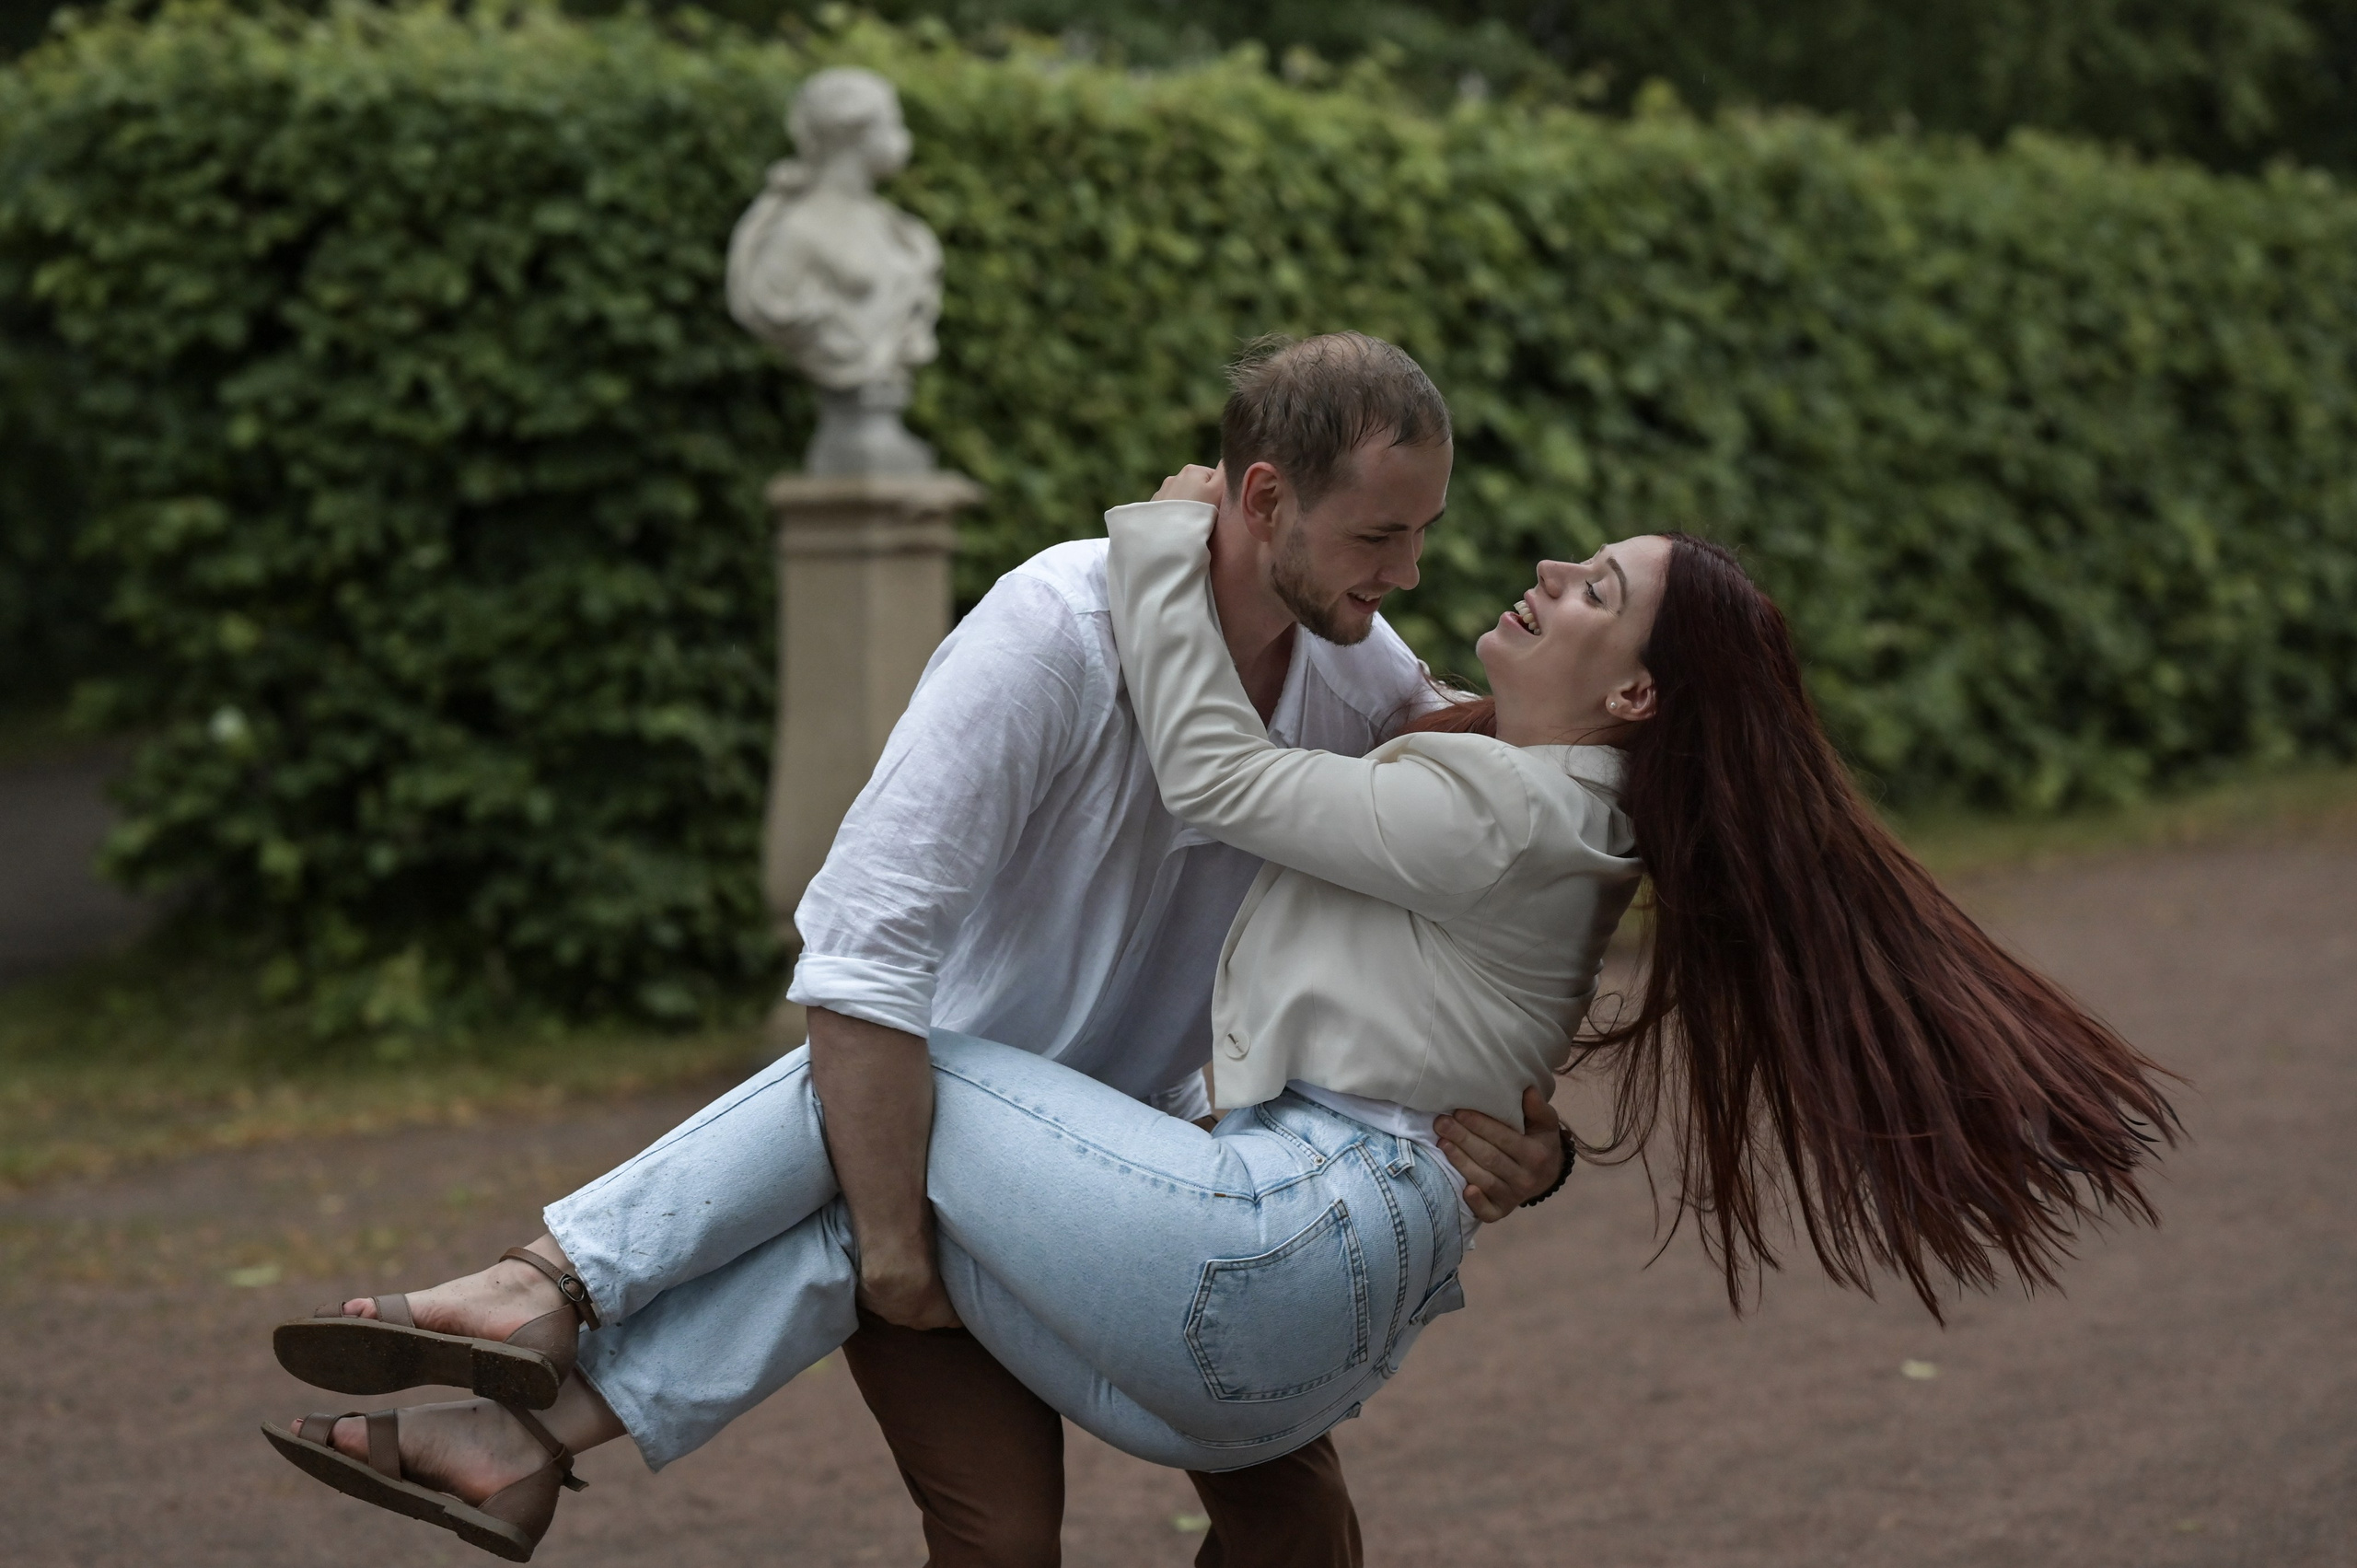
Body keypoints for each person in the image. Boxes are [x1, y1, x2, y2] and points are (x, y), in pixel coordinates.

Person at [263, 461, 2177, 1562]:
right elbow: (1451, 930)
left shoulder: (1461, 766)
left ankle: (542, 1288)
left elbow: (1217, 779)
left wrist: (1151, 547)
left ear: (1633, 702)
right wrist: (1532, 1139)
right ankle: (531, 1442)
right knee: (886, 1203)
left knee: (893, 1083)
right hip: (1182, 1220)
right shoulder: (1380, 727)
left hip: (1229, 1226)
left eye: (1581, 584)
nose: (1482, 574)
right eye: (1382, 543)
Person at [268, 334, 1577, 1568]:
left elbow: (1483, 855)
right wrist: (894, 1249)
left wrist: (1539, 1141)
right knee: (1000, 1540)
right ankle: (538, 1321)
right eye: (1379, 534)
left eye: (1424, 535)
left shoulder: (1356, 671)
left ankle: (537, 1332)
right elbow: (863, 954)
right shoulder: (1057, 628)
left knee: (1300, 1533)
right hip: (913, 1151)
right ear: (1265, 497)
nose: (1406, 571)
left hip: (1152, 1180)